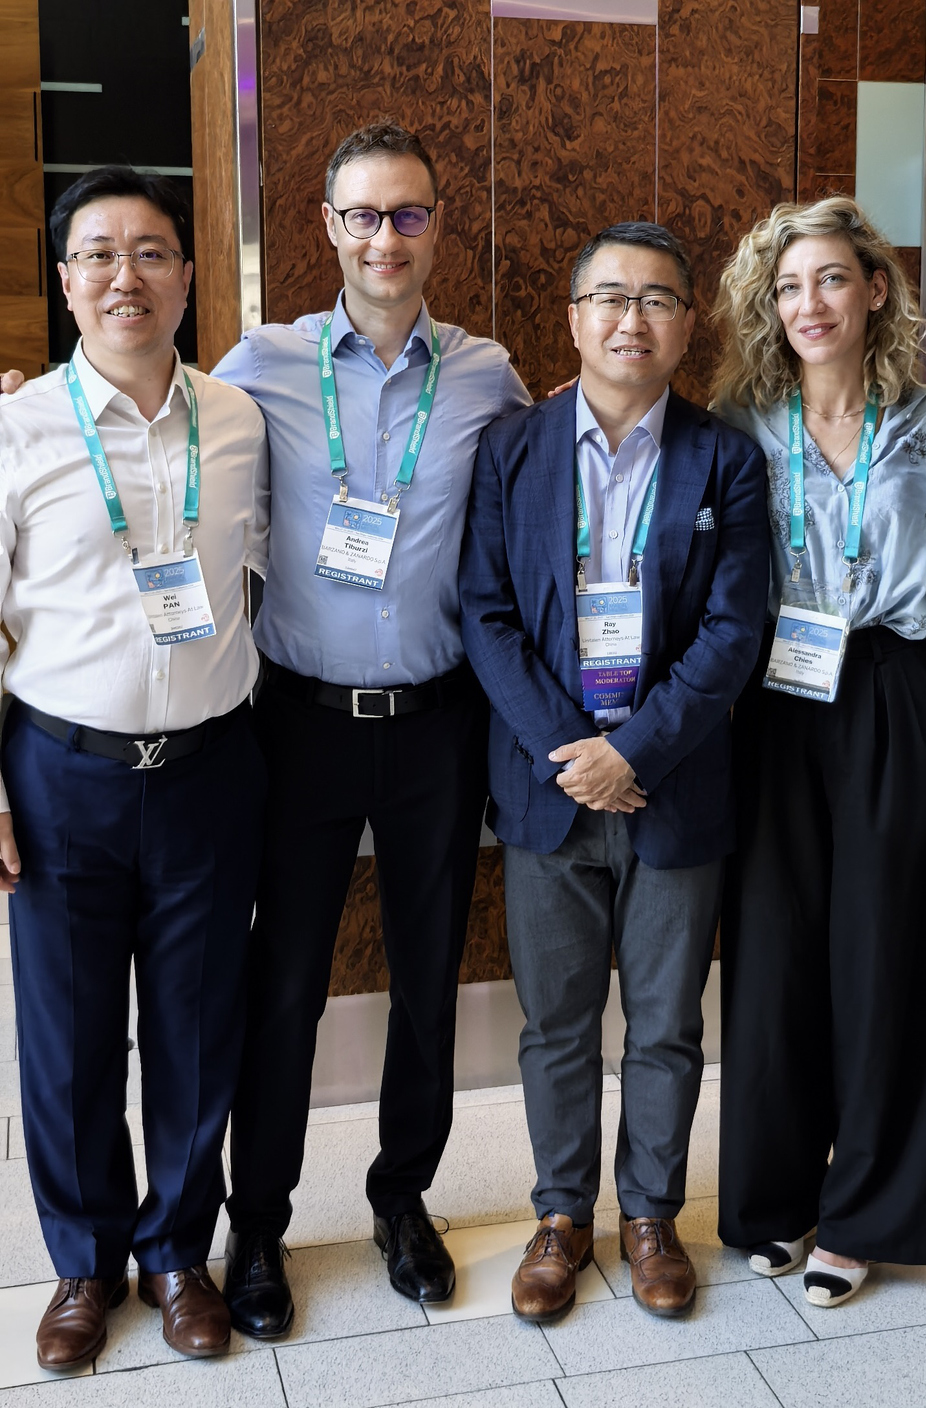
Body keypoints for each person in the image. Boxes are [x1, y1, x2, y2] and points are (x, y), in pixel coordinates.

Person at [209, 122, 530, 1336]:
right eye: (361, 214)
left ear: (438, 225)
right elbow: (165, 443)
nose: (384, 237)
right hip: (300, 724)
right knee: (285, 982)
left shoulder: (487, 373)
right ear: (328, 227)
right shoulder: (262, 364)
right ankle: (258, 1222)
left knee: (427, 977)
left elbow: (545, 482)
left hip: (438, 725)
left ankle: (403, 1198)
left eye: (407, 213)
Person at [459, 222, 768, 1322]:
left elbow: (734, 630)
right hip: (548, 787)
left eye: (657, 299)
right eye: (610, 297)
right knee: (555, 1021)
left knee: (668, 1021)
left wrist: (632, 750)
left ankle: (649, 1215)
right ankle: (559, 1214)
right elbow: (486, 615)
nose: (632, 319)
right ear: (574, 318)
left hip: (671, 782)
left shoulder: (725, 458)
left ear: (687, 324)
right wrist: (575, 754)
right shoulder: (512, 449)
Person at [0, 167, 268, 1366]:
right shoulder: (17, 430)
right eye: (98, 255)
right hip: (63, 775)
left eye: (151, 252)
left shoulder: (239, 420)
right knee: (66, 1039)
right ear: (65, 282)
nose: (126, 277)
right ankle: (82, 1262)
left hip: (210, 767)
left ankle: (175, 1253)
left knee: (197, 1028)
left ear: (188, 275)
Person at [709, 197, 926, 1305]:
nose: (808, 303)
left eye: (830, 279)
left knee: (885, 951)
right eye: (788, 286)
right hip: (775, 692)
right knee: (773, 955)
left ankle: (863, 1212)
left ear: (874, 291)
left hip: (896, 687)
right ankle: (771, 1196)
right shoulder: (740, 423)